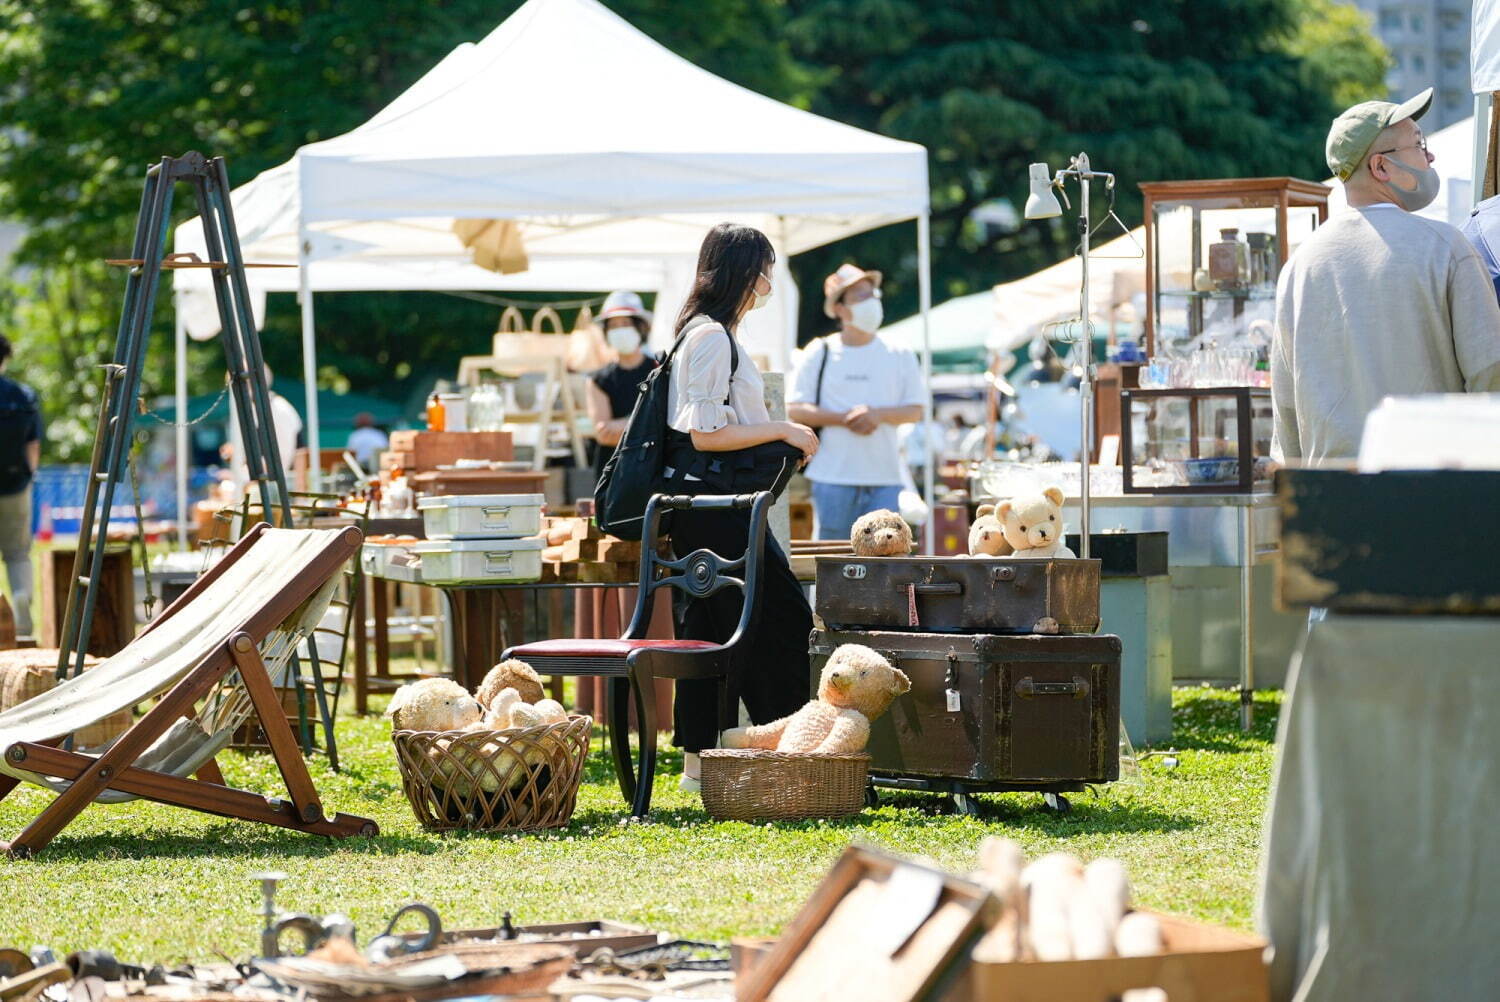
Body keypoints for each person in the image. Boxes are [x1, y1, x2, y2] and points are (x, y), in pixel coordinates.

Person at [665, 223, 819, 791]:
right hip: (718, 509)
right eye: (764, 269)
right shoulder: (710, 338)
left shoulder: (705, 332)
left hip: (711, 509)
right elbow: (705, 434)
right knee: (779, 621)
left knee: (711, 629)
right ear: (742, 273)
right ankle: (790, 752)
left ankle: (702, 759)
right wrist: (781, 428)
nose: (768, 283)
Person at [1272, 88, 1500, 464]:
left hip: (1331, 498)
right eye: (1417, 143)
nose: (1430, 155)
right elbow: (1490, 373)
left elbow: (1285, 408)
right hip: (1433, 488)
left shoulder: (1299, 265)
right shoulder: (1445, 246)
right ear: (1380, 167)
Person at [788, 263, 924, 539]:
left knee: (884, 565)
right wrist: (844, 419)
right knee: (832, 560)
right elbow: (794, 408)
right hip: (832, 478)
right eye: (860, 295)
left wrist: (877, 414)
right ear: (839, 308)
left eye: (873, 293)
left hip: (885, 477)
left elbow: (916, 410)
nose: (872, 300)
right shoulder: (820, 350)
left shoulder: (900, 352)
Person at [586, 290, 659, 488]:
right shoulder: (599, 380)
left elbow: (666, 424)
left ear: (640, 328)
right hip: (613, 471)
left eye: (626, 324)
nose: (620, 330)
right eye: (613, 326)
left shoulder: (659, 371)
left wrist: (620, 426)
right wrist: (646, 425)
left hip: (655, 469)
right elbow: (603, 433)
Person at [0, 334, 41, 640]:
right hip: (16, 483)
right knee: (17, 553)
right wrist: (30, 475)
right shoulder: (22, 396)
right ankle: (22, 607)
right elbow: (33, 444)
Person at [222, 364, 303, 489]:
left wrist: (239, 477)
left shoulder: (279, 410)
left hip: (281, 490)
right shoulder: (256, 410)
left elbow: (279, 462)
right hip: (263, 486)